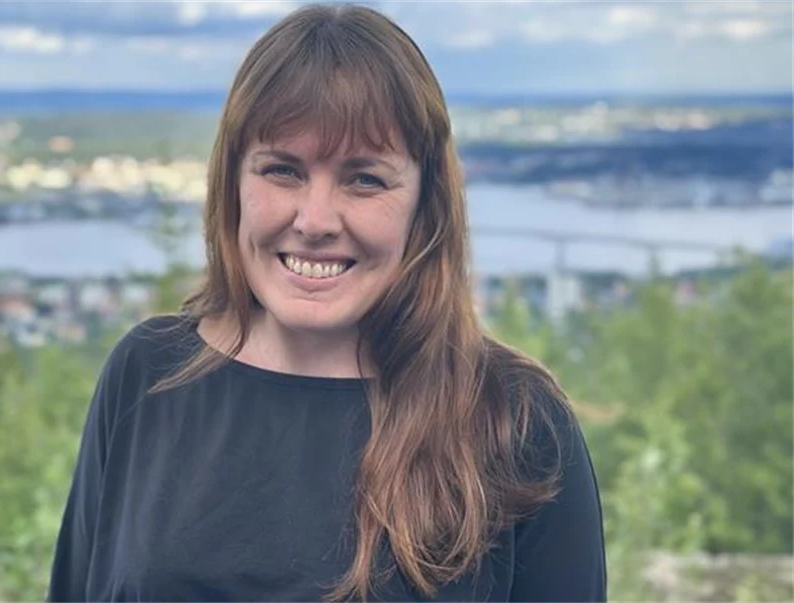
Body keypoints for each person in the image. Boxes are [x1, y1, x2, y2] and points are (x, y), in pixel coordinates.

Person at [45, 4, 606, 602]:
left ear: (426, 203)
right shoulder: (148, 374)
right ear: (232, 183)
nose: (314, 221)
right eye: (282, 170)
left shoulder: (512, 418)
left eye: (364, 179)